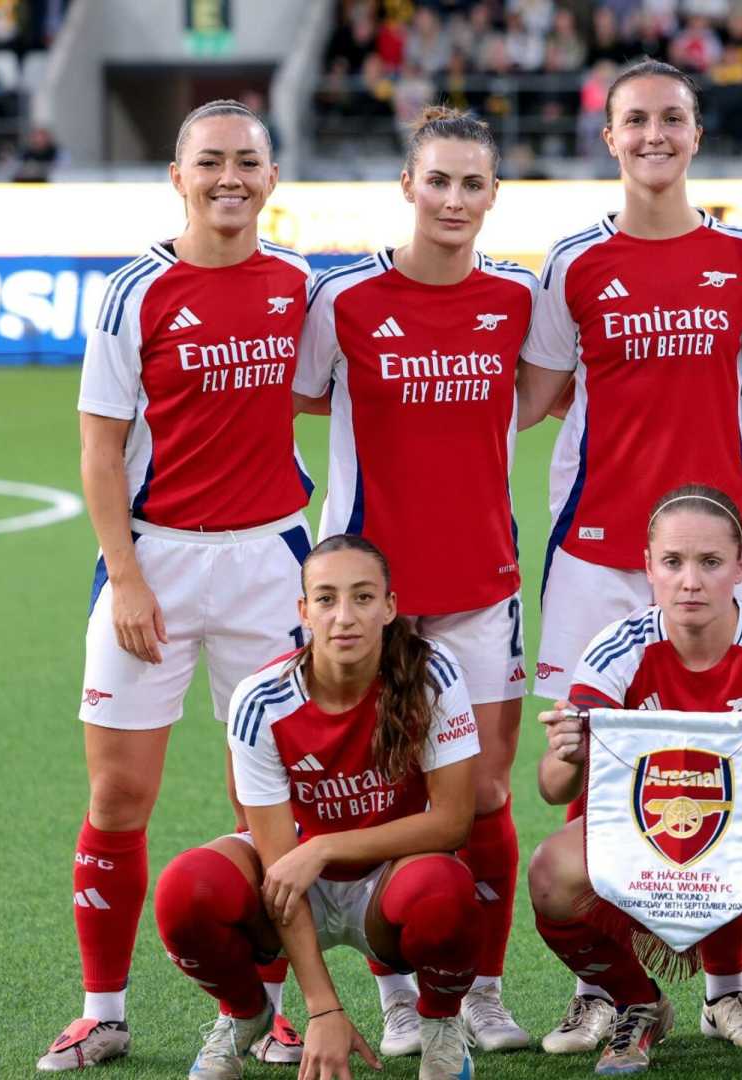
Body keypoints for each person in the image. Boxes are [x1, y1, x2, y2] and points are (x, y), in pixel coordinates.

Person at [41, 98, 315, 1073]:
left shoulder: (301, 286)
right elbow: (99, 450)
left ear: (271, 177)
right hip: (153, 562)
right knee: (120, 794)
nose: (228, 177)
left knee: (268, 796)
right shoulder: (135, 292)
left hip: (271, 567)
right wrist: (124, 576)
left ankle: (278, 1009)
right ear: (178, 176)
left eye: (247, 160)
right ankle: (104, 1012)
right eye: (210, 161)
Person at [517, 59, 742, 1054]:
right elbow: (541, 396)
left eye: (672, 118)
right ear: (610, 136)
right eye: (636, 120)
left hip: (716, 557)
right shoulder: (573, 263)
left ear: (696, 134)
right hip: (596, 551)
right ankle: (606, 987)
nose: (654, 134)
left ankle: (725, 988)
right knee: (586, 764)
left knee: (720, 765)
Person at [293, 105, 540, 1056]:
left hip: (482, 581)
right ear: (408, 185)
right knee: (380, 791)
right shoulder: (344, 299)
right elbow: (301, 395)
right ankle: (399, 998)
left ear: (494, 194)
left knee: (485, 793)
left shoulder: (517, 297)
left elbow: (537, 395)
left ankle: (483, 990)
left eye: (472, 183)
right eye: (437, 180)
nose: (453, 198)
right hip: (369, 594)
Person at [528, 485, 742, 1077]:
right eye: (673, 562)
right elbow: (554, 787)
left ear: (740, 567)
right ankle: (638, 1003)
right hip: (656, 836)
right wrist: (568, 752)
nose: (690, 582)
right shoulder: (618, 647)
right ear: (648, 567)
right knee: (550, 874)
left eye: (710, 562)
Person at [153, 534, 483, 1080]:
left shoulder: (432, 673)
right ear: (304, 611)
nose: (344, 617)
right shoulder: (261, 699)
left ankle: (441, 1024)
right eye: (326, 599)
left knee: (444, 893)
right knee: (187, 890)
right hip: (293, 880)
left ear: (390, 607)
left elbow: (452, 823)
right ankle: (246, 1013)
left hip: (388, 881)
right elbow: (281, 869)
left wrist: (325, 846)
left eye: (363, 597)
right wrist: (322, 1008)